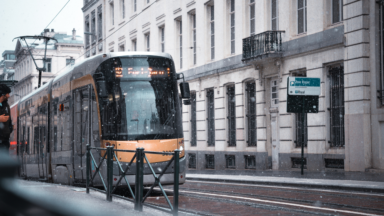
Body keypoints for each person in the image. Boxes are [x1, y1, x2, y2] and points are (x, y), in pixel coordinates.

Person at [0, 84, 13, 153]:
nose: (9, 96)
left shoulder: (6, 105)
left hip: (4, 140)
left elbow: (9, 121)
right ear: (3, 94)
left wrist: (9, 130)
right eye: (7, 94)